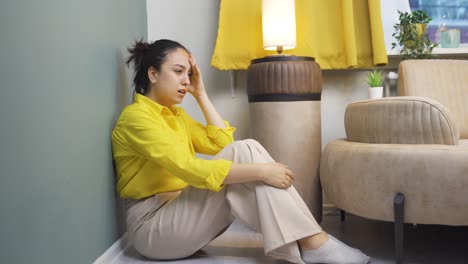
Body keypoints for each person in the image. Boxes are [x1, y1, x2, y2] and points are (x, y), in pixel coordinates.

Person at [112, 39, 371, 264]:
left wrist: (201, 94)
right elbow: (190, 170)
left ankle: (313, 240)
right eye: (178, 71)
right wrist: (261, 171)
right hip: (152, 229)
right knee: (247, 155)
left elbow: (223, 144)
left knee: (246, 147)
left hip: (179, 212)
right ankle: (314, 242)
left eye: (188, 74)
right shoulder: (136, 119)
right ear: (153, 74)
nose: (185, 80)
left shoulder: (175, 116)